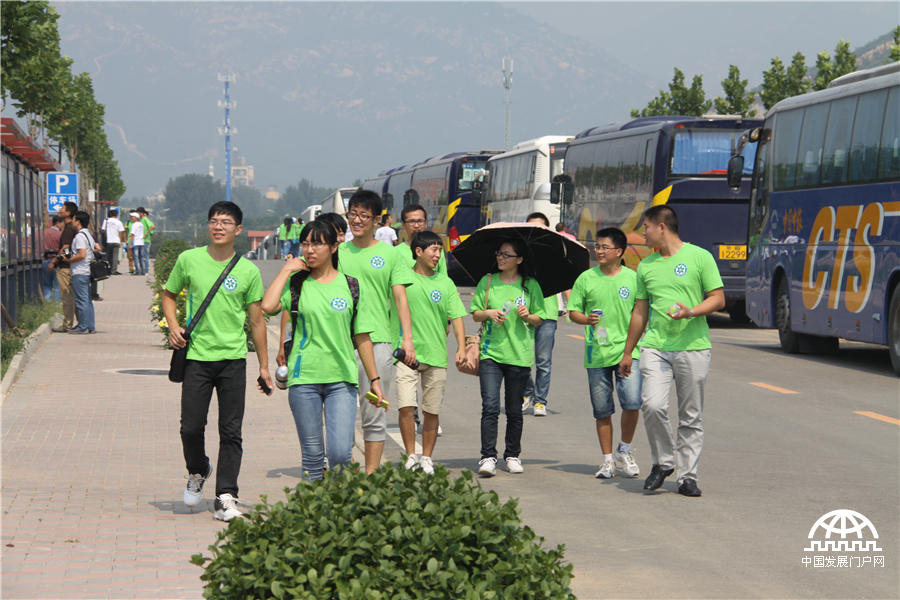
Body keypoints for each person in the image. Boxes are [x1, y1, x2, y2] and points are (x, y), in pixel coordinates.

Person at [162, 201, 272, 521]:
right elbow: (169, 295)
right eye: (213, 221)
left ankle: (226, 494)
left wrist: (263, 366)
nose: (218, 226)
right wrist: (172, 326)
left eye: (225, 222)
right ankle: (198, 469)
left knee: (231, 430)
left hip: (234, 359)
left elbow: (256, 322)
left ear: (238, 230)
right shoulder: (189, 260)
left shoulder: (248, 271)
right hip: (196, 356)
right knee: (190, 427)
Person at [261, 220, 385, 481]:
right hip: (304, 378)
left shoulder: (351, 286)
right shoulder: (297, 284)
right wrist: (286, 270)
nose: (309, 250)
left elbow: (361, 337)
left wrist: (374, 380)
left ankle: (338, 510)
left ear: (333, 247)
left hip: (341, 379)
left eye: (316, 243)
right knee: (313, 457)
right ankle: (312, 517)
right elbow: (269, 306)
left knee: (340, 453)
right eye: (305, 244)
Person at [620, 205, 724, 498]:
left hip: (693, 347)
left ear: (661, 227)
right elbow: (640, 310)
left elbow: (717, 298)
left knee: (690, 415)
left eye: (646, 227)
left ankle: (687, 476)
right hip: (655, 347)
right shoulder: (646, 265)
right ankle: (664, 462)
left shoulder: (699, 257)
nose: (643, 234)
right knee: (652, 405)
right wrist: (628, 352)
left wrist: (691, 311)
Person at [338, 190, 416, 474]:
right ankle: (341, 468)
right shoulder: (338, 253)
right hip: (340, 341)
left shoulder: (390, 255)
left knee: (373, 410)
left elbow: (400, 299)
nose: (356, 220)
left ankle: (371, 475)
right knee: (340, 413)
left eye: (363, 216)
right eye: (353, 214)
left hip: (379, 341)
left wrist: (407, 341)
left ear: (376, 221)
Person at [568, 228, 642, 479]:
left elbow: (640, 315)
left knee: (632, 403)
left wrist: (629, 351)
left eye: (604, 247)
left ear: (619, 252)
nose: (598, 251)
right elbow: (573, 312)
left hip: (627, 352)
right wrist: (585, 319)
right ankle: (608, 460)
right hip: (596, 354)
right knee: (602, 410)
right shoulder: (586, 279)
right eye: (597, 247)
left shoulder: (633, 279)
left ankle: (625, 449)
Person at [470, 238, 546, 476]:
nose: (501, 258)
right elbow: (475, 313)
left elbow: (540, 317)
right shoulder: (488, 280)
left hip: (519, 355)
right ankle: (488, 457)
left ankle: (512, 454)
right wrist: (489, 313)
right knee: (490, 406)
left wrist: (528, 315)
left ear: (519, 259)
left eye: (507, 255)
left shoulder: (529, 285)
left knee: (514, 409)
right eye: (499, 253)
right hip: (491, 353)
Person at [395, 231, 467, 475]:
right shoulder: (402, 279)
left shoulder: (445, 283)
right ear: (418, 252)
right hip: (407, 354)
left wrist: (462, 346)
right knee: (406, 405)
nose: (438, 255)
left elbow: (456, 316)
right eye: (433, 250)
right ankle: (410, 455)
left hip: (436, 355)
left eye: (440, 250)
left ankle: (426, 457)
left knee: (431, 410)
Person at [522, 212, 560, 417]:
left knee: (543, 360)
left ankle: (540, 401)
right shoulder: (518, 254)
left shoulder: (553, 252)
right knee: (522, 358)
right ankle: (527, 391)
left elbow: (564, 277)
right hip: (524, 312)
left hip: (547, 313)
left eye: (539, 228)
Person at [66, 211, 98, 334]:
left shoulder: (79, 236)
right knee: (87, 300)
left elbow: (82, 254)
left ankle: (83, 327)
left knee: (81, 300)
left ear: (78, 221)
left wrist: (69, 259)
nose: (72, 222)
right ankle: (90, 326)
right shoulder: (88, 235)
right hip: (86, 271)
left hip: (79, 272)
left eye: (73, 219)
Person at [52, 201, 79, 332]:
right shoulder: (70, 228)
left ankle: (67, 324)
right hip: (69, 265)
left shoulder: (68, 229)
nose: (59, 210)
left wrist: (56, 260)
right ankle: (80, 322)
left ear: (68, 213)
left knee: (67, 297)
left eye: (62, 208)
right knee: (72, 296)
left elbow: (66, 247)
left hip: (64, 268)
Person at [42, 215, 62, 301]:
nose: (63, 225)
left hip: (45, 260)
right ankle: (56, 308)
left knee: (47, 284)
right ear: (57, 223)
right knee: (57, 286)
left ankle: (47, 304)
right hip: (57, 261)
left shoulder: (44, 233)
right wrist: (68, 256)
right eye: (62, 223)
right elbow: (65, 248)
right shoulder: (61, 234)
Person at [101, 208, 125, 275]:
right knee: (115, 257)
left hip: (108, 241)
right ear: (116, 215)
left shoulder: (106, 221)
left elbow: (103, 230)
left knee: (108, 256)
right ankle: (113, 270)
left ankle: (108, 269)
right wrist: (120, 241)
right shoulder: (119, 222)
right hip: (116, 241)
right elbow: (121, 232)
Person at [137, 207, 155, 275]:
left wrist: (147, 232)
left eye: (138, 213)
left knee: (145, 256)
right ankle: (142, 270)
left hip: (146, 240)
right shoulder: (141, 220)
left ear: (142, 213)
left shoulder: (145, 219)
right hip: (141, 240)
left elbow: (152, 226)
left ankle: (146, 270)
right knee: (141, 256)